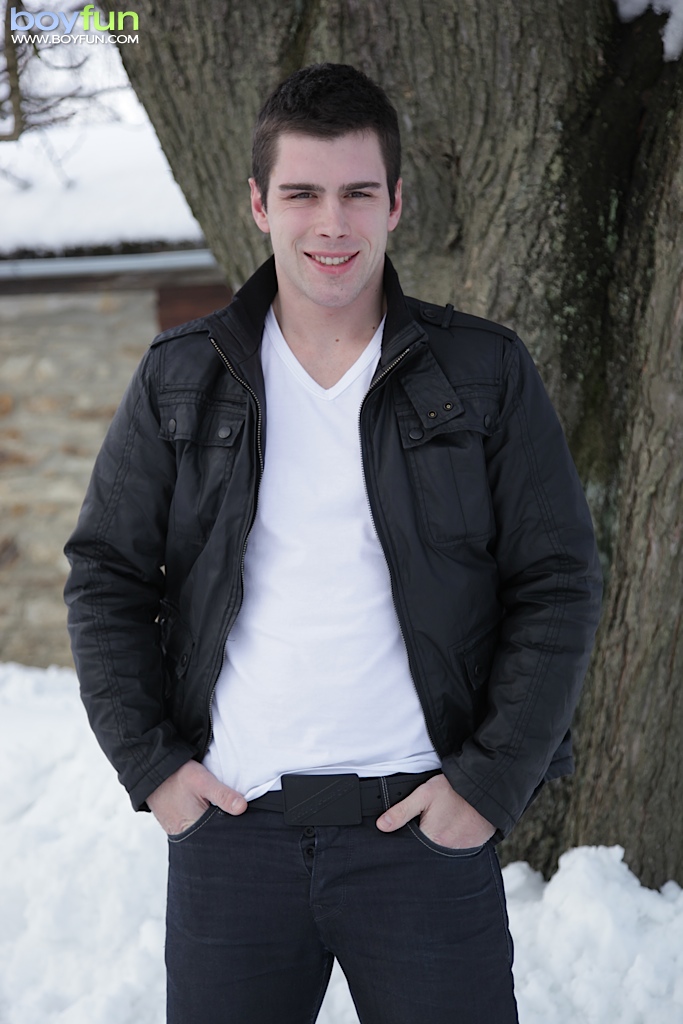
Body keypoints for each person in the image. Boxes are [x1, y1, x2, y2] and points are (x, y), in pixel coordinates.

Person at [64, 63, 602, 1024]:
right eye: (302, 194)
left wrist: (486, 786)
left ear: (394, 203)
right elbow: (105, 575)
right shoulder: (182, 376)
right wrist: (153, 769)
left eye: (357, 193)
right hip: (234, 842)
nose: (331, 224)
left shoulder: (482, 371)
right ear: (257, 205)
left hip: (421, 840)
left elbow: (556, 581)